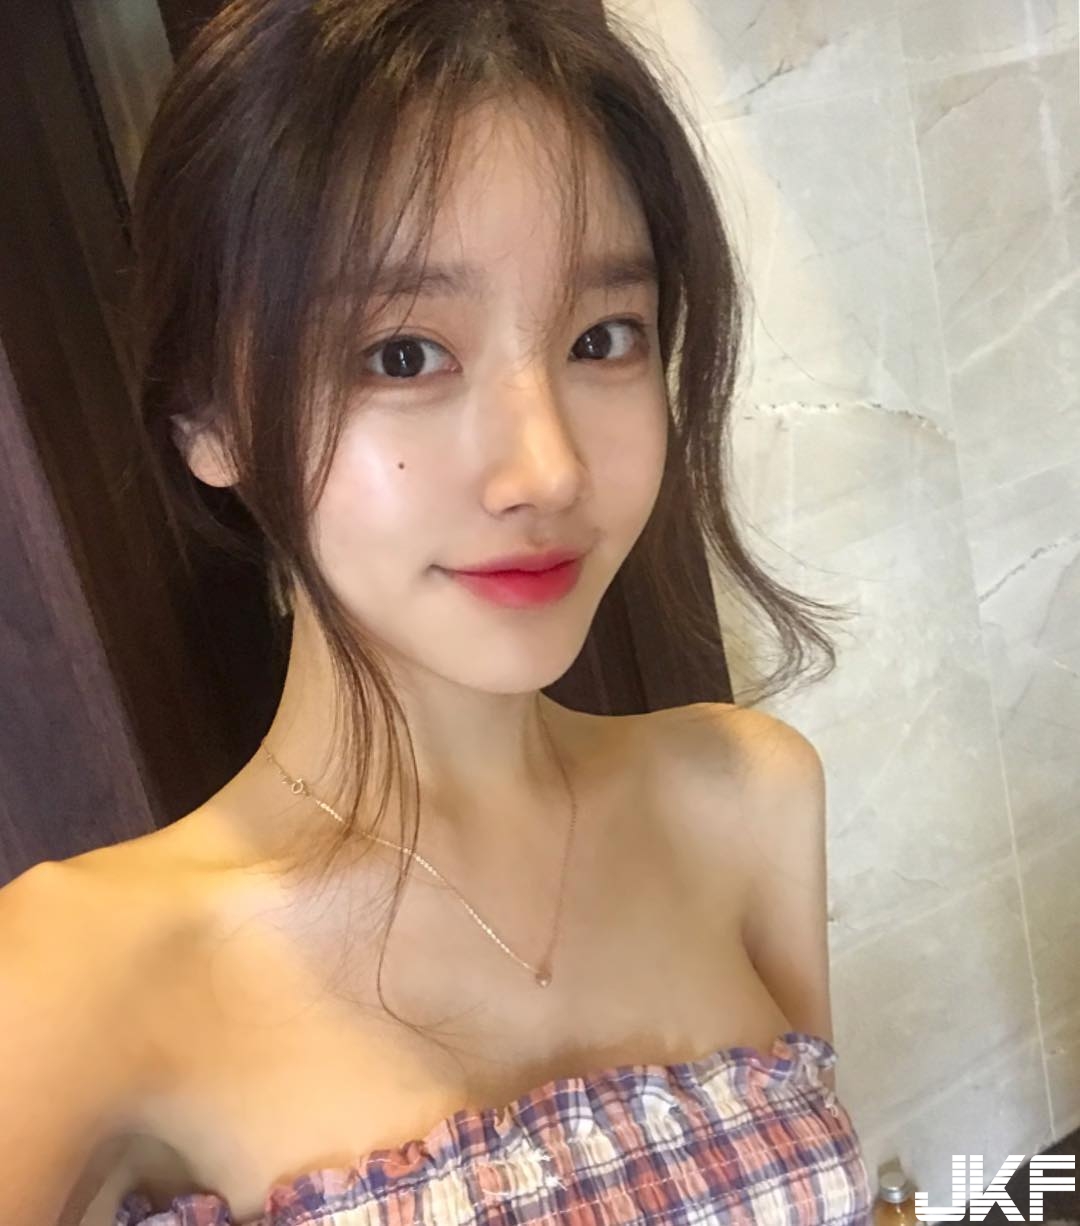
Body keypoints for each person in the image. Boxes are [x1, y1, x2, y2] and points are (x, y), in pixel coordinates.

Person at [0, 1, 873, 1223]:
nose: (547, 469)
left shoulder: (745, 798)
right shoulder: (67, 978)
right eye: (403, 353)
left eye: (602, 336)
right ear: (209, 414)